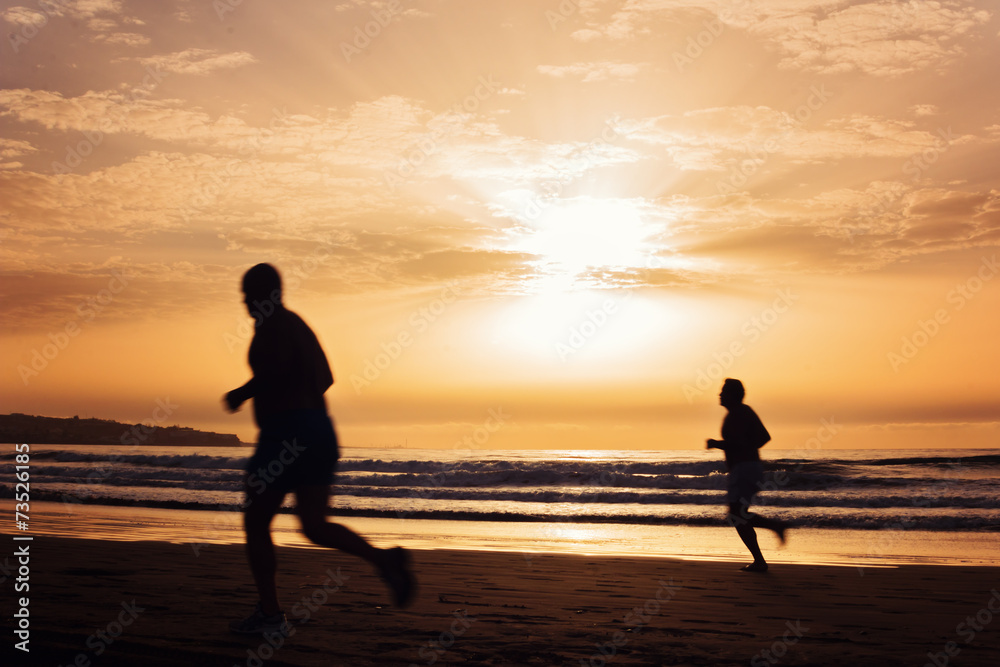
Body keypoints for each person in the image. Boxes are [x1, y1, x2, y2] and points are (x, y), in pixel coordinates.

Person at [224, 263, 415, 635]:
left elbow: (276, 371)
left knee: (256, 521)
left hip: (285, 434)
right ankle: (383, 560)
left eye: (250, 294)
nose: (246, 302)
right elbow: (326, 378)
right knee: (313, 526)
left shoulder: (272, 325)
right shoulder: (299, 325)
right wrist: (304, 407)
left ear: (268, 293)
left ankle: (269, 615)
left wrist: (242, 393)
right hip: (319, 430)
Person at [706, 378, 787, 572]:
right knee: (738, 515)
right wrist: (749, 450)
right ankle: (760, 559)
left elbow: (738, 443)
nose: (719, 394)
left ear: (732, 394)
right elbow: (764, 437)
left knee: (736, 515)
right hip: (749, 467)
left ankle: (774, 529)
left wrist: (718, 444)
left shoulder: (737, 414)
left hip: (744, 468)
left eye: (723, 391)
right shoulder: (744, 411)